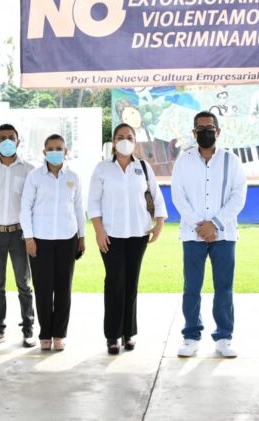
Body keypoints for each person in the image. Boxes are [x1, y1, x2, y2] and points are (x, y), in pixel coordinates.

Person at [171, 111, 247, 358]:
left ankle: (224, 336)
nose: (206, 132)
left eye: (210, 127)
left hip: (224, 235)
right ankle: (191, 336)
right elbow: (178, 196)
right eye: (200, 128)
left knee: (224, 287)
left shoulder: (231, 160)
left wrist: (214, 224)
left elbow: (238, 196)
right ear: (194, 133)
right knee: (191, 287)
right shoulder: (184, 161)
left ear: (218, 131)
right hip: (192, 235)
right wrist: (199, 225)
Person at [88, 123, 167, 354]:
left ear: (135, 140)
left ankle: (129, 332)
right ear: (113, 142)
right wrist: (99, 231)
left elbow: (156, 195)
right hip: (111, 236)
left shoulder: (143, 167)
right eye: (120, 136)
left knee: (131, 282)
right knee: (114, 282)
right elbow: (93, 202)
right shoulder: (102, 169)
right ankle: (112, 336)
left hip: (138, 234)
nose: (124, 140)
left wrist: (159, 223)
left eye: (129, 136)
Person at [20, 134, 86, 351]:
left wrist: (82, 237)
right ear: (44, 152)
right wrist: (29, 238)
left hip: (68, 239)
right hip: (40, 240)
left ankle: (59, 334)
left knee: (64, 289)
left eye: (59, 148)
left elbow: (78, 208)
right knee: (43, 289)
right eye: (51, 148)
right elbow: (25, 208)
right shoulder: (35, 177)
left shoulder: (73, 177)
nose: (55, 151)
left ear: (65, 151)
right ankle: (45, 333)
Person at [0, 123, 36, 348]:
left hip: (20, 235)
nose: (7, 141)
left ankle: (28, 328)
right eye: (2, 138)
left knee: (24, 283)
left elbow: (32, 205)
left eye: (11, 137)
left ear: (18, 141)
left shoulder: (29, 170)